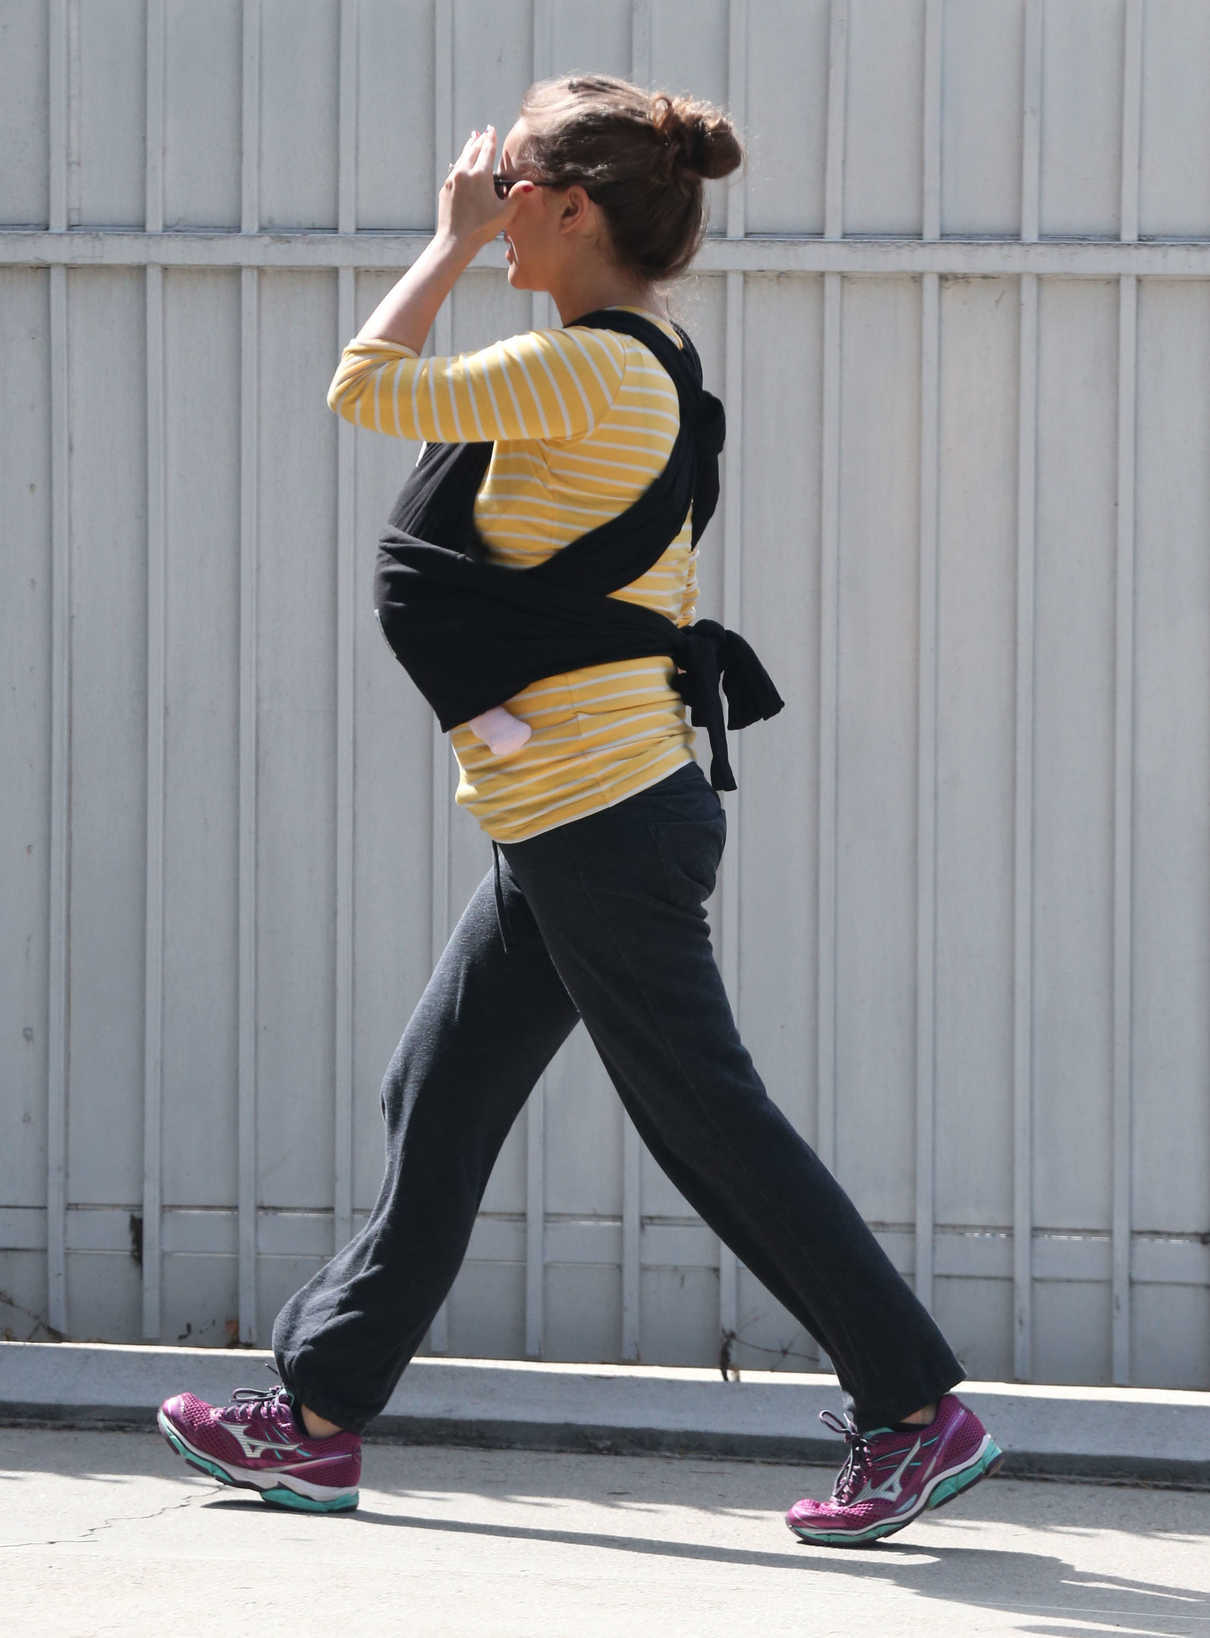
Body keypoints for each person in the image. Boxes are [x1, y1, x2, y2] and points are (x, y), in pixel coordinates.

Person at [157, 73, 1002, 1547]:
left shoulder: (592, 369)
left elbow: (363, 383)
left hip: (601, 818)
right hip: (572, 818)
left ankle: (913, 1407)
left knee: (706, 1121)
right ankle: (318, 1421)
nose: (488, 214)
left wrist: (434, 241)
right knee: (440, 1094)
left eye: (508, 190)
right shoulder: (625, 360)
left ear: (570, 206)